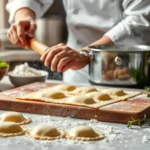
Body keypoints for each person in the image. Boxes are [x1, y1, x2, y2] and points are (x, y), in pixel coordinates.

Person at [6, 0, 150, 85]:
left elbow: (139, 20)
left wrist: (86, 53)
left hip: (124, 68)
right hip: (74, 70)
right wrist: (23, 16)